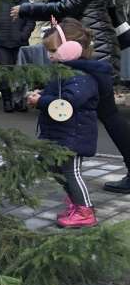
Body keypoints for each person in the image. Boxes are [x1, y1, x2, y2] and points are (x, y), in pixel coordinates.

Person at [11, 0, 130, 195]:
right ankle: (55, 163)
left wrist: (26, 8)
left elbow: (69, 6)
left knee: (104, 113)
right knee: (103, 112)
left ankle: (61, 168)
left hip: (88, 48)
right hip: (82, 45)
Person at [29, 18, 109, 228]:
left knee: (71, 172)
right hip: (61, 134)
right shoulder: (66, 71)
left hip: (74, 136)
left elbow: (68, 102)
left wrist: (41, 102)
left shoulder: (83, 76)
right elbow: (58, 93)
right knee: (55, 169)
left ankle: (85, 211)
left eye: (53, 50)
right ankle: (76, 201)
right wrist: (43, 94)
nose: (50, 55)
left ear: (72, 49)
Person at [0, 0, 36, 112]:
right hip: (2, 45)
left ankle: (20, 101)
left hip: (20, 44)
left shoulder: (25, 3)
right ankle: (7, 101)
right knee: (5, 73)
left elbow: (31, 22)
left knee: (21, 73)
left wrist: (23, 35)